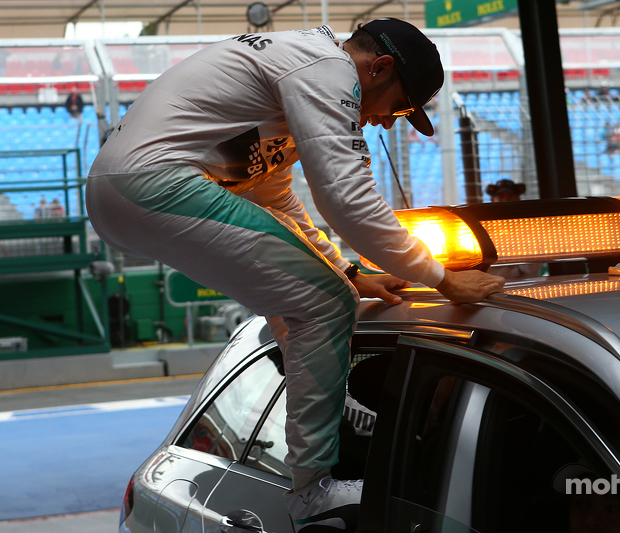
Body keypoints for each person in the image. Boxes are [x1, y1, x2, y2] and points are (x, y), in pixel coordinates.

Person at [84, 19, 504, 532]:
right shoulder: (326, 69)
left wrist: (348, 269)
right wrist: (441, 278)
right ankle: (314, 492)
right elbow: (346, 199)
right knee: (326, 303)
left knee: (309, 293)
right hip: (153, 181)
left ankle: (326, 390)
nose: (389, 123)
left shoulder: (295, 77)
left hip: (126, 189)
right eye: (399, 106)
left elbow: (273, 197)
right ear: (380, 67)